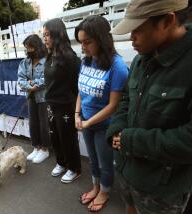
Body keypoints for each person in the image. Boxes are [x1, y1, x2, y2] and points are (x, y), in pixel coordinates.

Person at [106, 0, 192, 213]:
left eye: (137, 30)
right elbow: (126, 99)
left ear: (168, 20)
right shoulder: (141, 58)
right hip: (126, 170)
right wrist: (116, 130)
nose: (131, 38)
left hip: (163, 188)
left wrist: (132, 141)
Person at [74, 15, 128, 212]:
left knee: (105, 163)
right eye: (81, 42)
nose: (83, 48)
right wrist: (77, 114)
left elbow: (114, 106)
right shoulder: (86, 61)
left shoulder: (118, 66)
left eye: (87, 42)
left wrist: (88, 123)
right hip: (86, 121)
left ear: (102, 39)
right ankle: (96, 187)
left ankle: (104, 191)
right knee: (92, 160)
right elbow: (81, 90)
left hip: (105, 125)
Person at [43, 18, 81, 183]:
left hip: (66, 104)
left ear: (57, 34)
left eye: (47, 35)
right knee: (55, 136)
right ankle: (61, 162)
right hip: (51, 104)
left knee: (67, 138)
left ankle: (74, 168)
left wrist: (74, 107)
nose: (44, 39)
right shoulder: (50, 55)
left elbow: (75, 85)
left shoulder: (69, 57)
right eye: (43, 35)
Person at [17, 34, 50, 164]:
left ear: (37, 47)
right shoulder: (25, 62)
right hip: (31, 97)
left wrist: (32, 84)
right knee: (33, 123)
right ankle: (36, 147)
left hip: (44, 98)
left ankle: (45, 149)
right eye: (26, 48)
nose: (28, 51)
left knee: (44, 124)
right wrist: (30, 86)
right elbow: (21, 79)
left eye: (30, 48)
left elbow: (46, 79)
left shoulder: (47, 61)